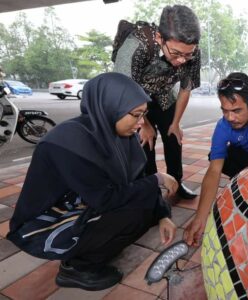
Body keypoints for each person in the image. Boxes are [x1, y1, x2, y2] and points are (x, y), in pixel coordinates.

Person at [7, 72, 178, 291]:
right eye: (135, 115)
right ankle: (77, 268)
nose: (140, 124)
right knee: (133, 212)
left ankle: (92, 247)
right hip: (48, 218)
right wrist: (159, 179)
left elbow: (139, 179)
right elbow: (107, 198)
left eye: (143, 115)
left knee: (144, 206)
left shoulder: (119, 135)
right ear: (109, 107)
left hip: (87, 199)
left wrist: (163, 214)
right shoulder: (67, 142)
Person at [184, 72, 248, 246]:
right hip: (243, 157)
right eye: (225, 111)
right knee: (217, 157)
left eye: (237, 110)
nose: (230, 118)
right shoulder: (222, 126)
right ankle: (242, 180)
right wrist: (200, 217)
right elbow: (214, 170)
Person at [113, 4, 201, 200]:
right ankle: (152, 186)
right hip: (134, 99)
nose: (182, 61)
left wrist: (176, 123)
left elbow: (186, 88)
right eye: (176, 53)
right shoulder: (137, 45)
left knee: (173, 137)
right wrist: (143, 123)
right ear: (160, 38)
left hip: (164, 96)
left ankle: (176, 183)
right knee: (145, 142)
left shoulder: (192, 50)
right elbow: (123, 89)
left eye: (188, 54)